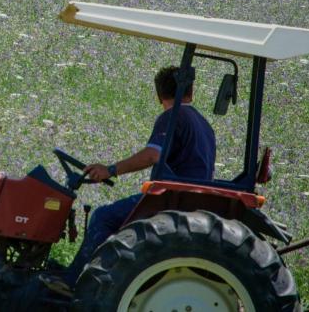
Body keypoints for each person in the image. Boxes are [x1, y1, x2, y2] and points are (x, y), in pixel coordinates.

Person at [42, 66, 216, 297]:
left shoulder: (172, 117)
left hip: (173, 199)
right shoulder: (204, 124)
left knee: (103, 216)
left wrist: (110, 170)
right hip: (189, 195)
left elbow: (153, 155)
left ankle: (74, 281)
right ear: (190, 93)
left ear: (158, 96)